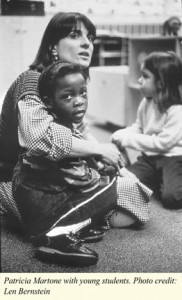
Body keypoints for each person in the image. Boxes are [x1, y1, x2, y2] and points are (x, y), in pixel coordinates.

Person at [0, 12, 151, 266]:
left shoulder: (67, 85)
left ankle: (76, 220)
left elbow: (82, 133)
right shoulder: (32, 82)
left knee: (133, 191)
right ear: (52, 47)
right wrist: (98, 150)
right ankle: (59, 228)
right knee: (117, 195)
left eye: (90, 38)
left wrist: (115, 164)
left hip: (58, 179)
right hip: (19, 184)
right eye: (75, 35)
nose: (87, 43)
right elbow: (39, 139)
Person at [112, 51, 182, 209]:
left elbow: (162, 144)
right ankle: (160, 179)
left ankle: (167, 180)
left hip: (174, 158)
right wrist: (123, 134)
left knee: (171, 199)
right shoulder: (146, 102)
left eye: (145, 76)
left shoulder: (177, 110)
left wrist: (128, 139)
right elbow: (139, 127)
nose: (139, 80)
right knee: (125, 183)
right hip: (150, 159)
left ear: (161, 83)